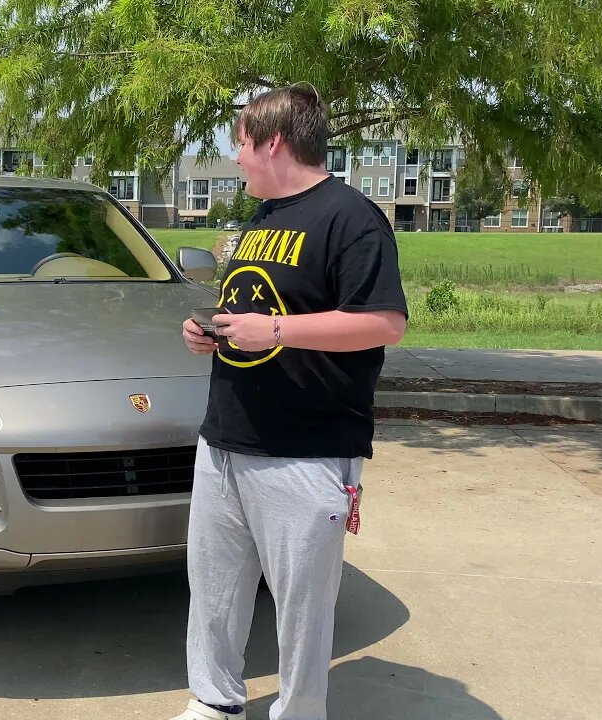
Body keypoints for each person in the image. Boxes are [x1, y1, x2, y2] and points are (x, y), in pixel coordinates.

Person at [173, 85, 408, 720]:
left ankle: (300, 710)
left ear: (274, 141)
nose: (236, 158)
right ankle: (215, 700)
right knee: (214, 591)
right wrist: (211, 333)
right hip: (224, 439)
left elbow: (384, 322)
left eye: (241, 145)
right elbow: (251, 310)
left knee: (303, 604)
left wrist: (276, 332)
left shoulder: (352, 219)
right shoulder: (257, 223)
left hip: (305, 450)